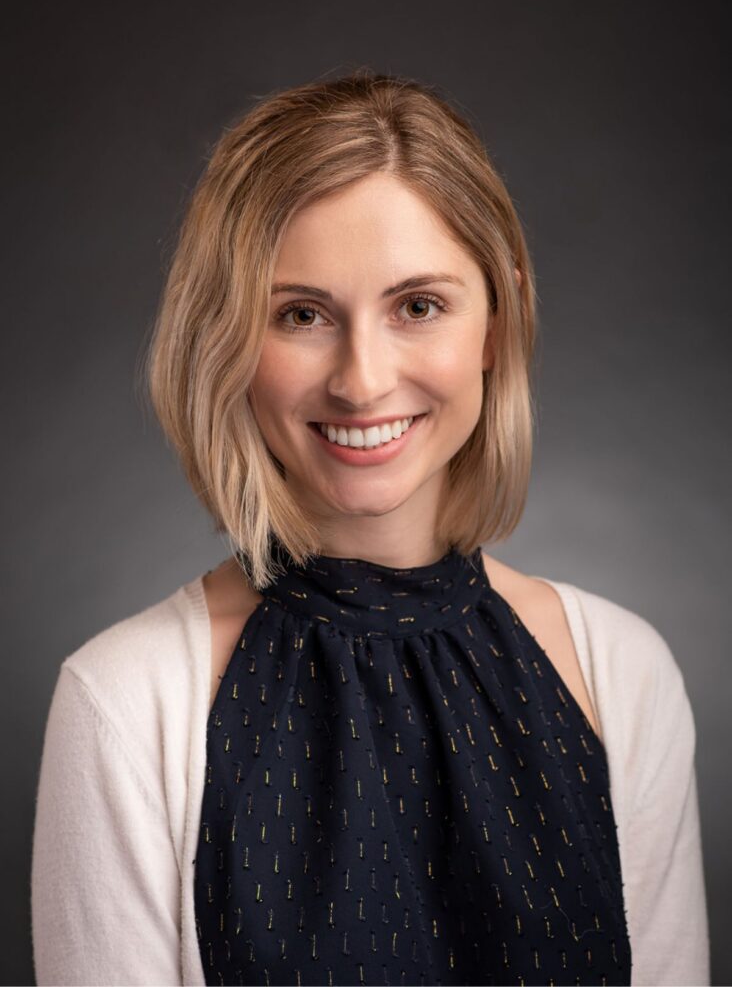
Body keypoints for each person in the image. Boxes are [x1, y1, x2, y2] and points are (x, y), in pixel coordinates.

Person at [31, 69, 709, 987]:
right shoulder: (124, 701)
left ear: (495, 324)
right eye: (301, 315)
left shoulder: (624, 672)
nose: (362, 380)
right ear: (226, 339)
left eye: (418, 306)